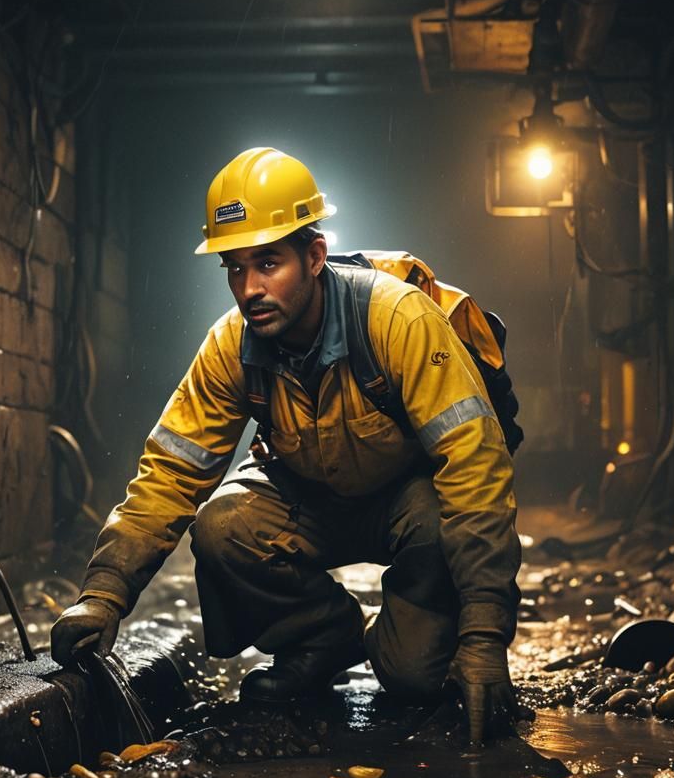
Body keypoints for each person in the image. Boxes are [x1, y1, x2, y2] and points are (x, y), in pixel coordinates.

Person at [51, 147, 522, 743]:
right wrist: (104, 594)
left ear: (315, 256)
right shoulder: (231, 347)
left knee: (416, 680)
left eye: (268, 263)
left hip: (410, 510)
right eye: (234, 268)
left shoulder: (396, 320)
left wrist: (482, 638)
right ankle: (323, 638)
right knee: (223, 525)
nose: (249, 289)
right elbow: (171, 472)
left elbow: (476, 467)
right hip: (308, 501)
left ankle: (404, 636)